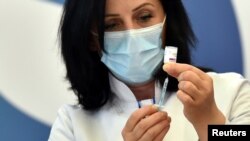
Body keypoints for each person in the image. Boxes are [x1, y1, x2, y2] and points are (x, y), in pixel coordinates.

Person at [48, 0, 250, 141]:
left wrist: (210, 122)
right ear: (92, 40)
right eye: (112, 25)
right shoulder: (72, 125)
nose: (132, 34)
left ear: (167, 21)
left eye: (144, 17)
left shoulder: (232, 91)